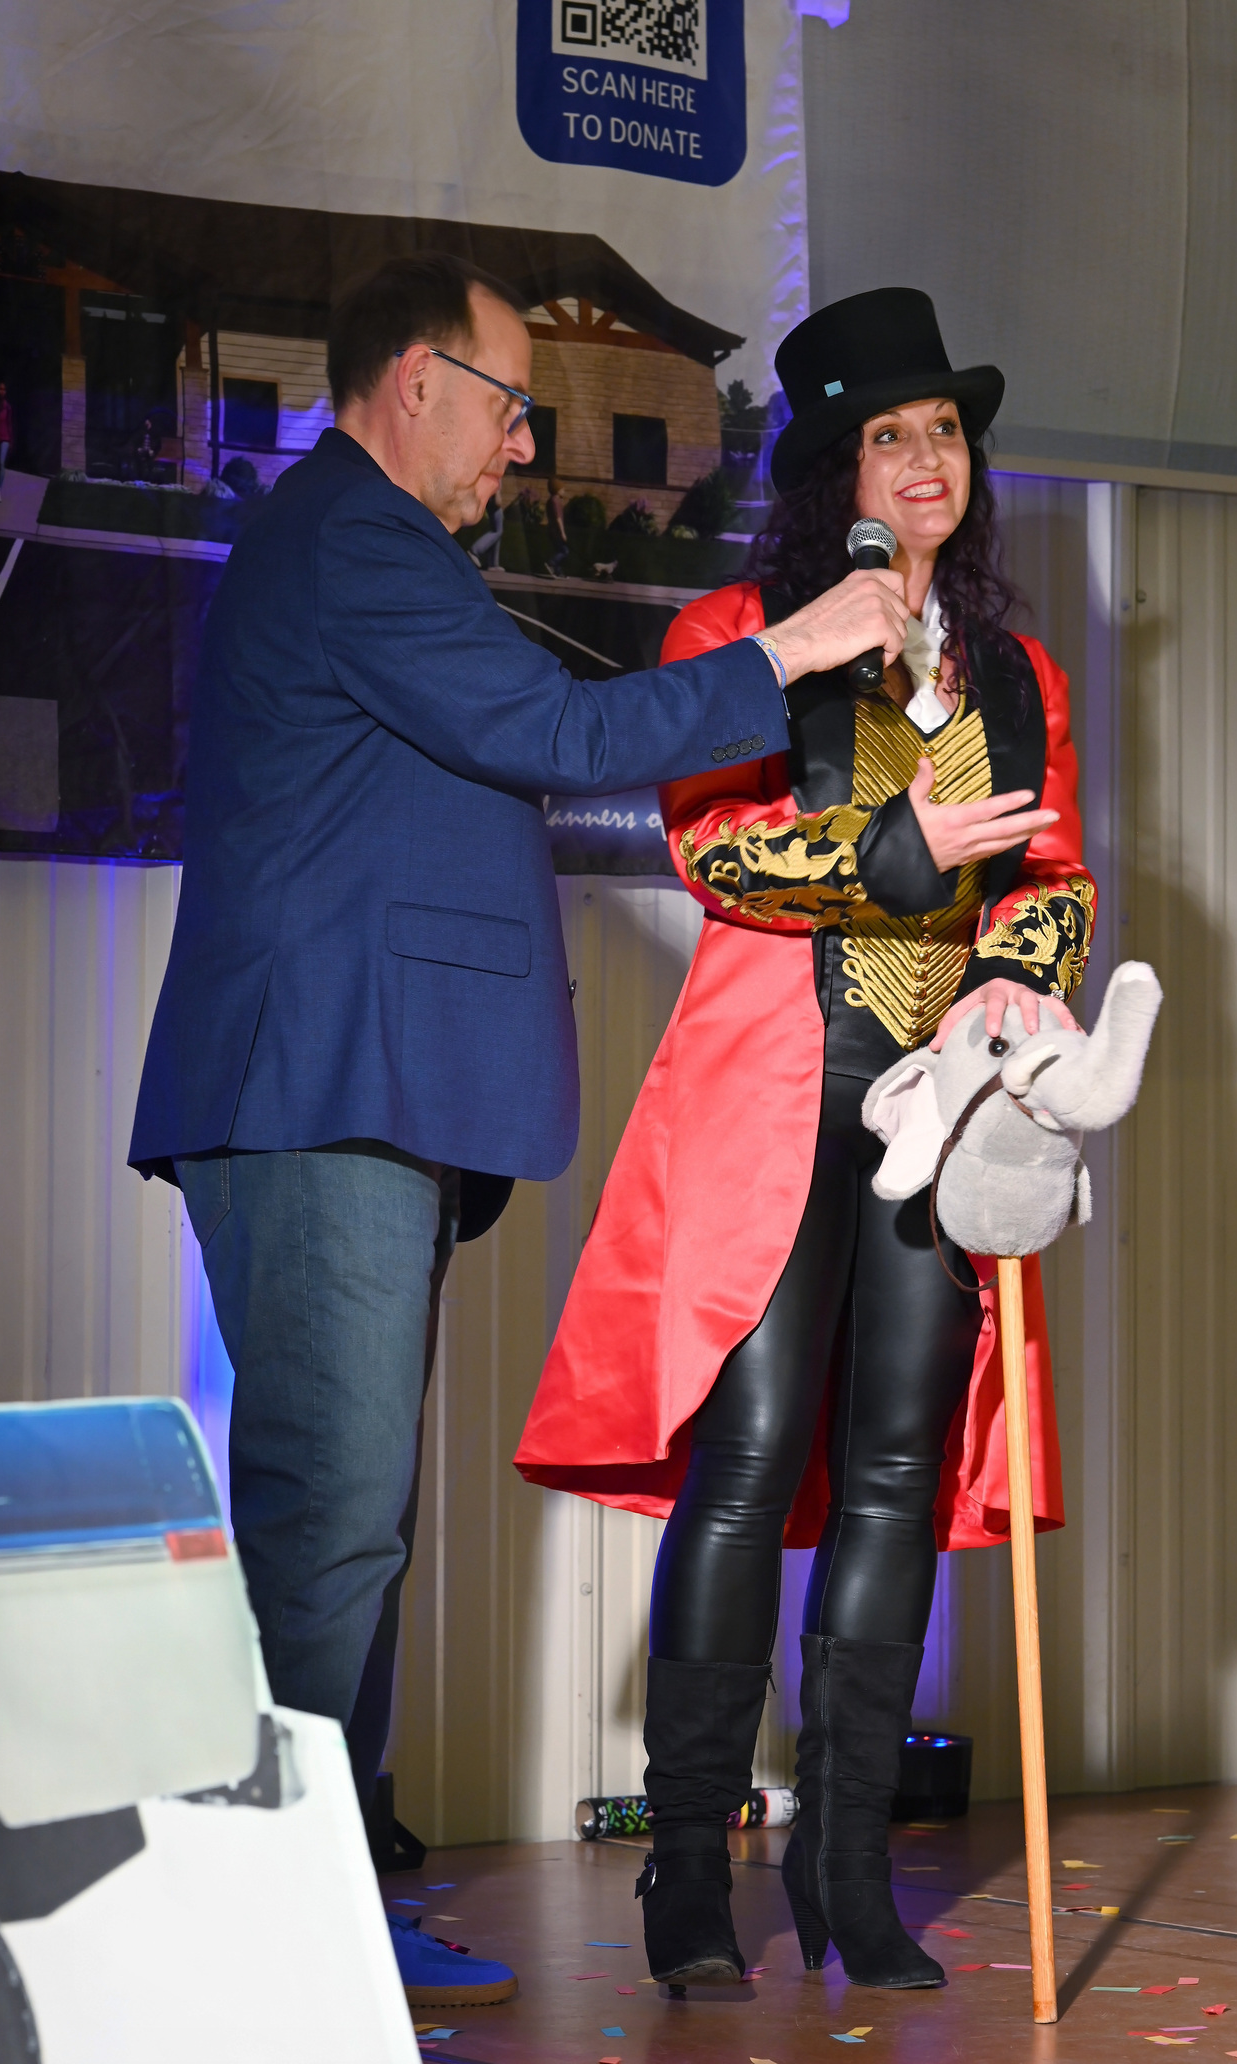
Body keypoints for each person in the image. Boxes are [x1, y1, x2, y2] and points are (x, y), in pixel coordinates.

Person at [127, 253, 912, 2010]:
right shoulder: (351, 540)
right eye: (508, 404)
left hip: (354, 1093)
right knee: (330, 1523)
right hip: (316, 1088)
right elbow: (550, 726)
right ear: (415, 381)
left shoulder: (365, 546)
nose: (524, 443)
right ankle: (275, 1931)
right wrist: (790, 649)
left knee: (347, 1524)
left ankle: (324, 1893)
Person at [516, 288, 1096, 1990]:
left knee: (900, 1467)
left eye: (945, 430)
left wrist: (1015, 982)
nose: (925, 459)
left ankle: (849, 1869)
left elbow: (1053, 878)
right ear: (833, 465)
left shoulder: (1018, 670)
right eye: (887, 433)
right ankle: (689, 1866)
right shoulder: (738, 628)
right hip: (781, 1087)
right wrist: (892, 853)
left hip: (941, 1107)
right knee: (753, 1451)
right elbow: (712, 850)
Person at [469, 489, 504, 567]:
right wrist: (497, 495)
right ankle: (475, 551)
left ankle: (493, 563)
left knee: (497, 530)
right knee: (497, 531)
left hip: (490, 501)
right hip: (493, 501)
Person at [543, 476, 569, 577]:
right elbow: (558, 519)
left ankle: (558, 572)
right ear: (557, 489)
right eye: (562, 489)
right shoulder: (555, 501)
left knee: (559, 550)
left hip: (552, 530)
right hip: (556, 531)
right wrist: (562, 533)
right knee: (564, 551)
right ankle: (551, 563)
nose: (564, 491)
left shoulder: (551, 501)